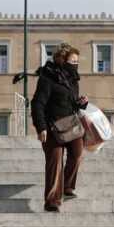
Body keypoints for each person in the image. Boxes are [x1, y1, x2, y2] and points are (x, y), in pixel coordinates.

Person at [31, 43, 89, 212]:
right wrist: (41, 127)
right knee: (54, 162)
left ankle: (67, 187)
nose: (75, 65)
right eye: (72, 61)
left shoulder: (72, 79)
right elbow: (37, 104)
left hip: (71, 124)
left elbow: (70, 104)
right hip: (51, 128)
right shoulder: (48, 78)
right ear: (62, 60)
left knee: (77, 154)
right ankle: (52, 201)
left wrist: (81, 103)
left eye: (77, 62)